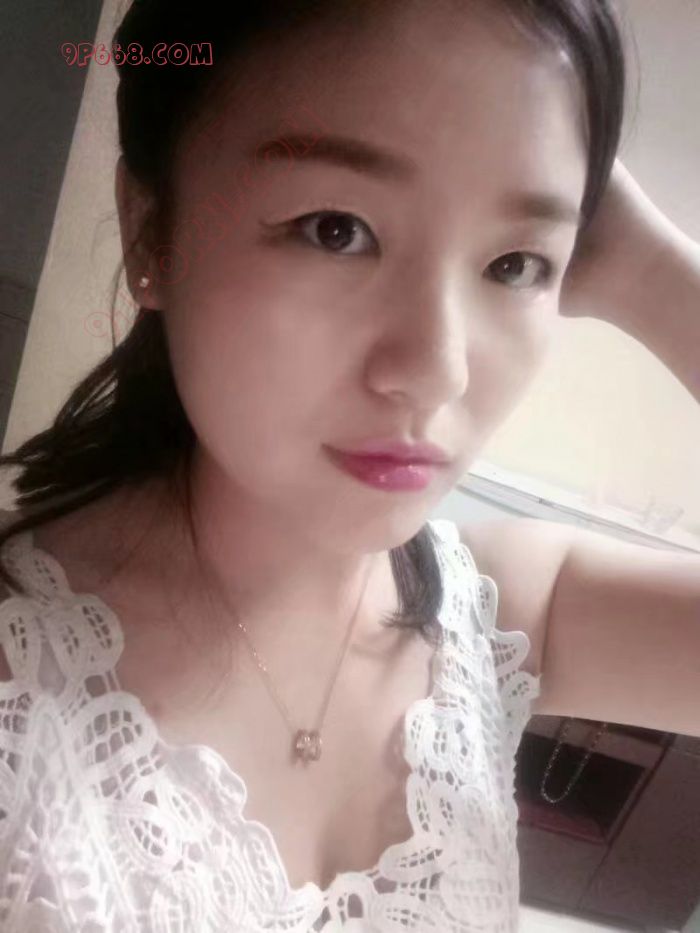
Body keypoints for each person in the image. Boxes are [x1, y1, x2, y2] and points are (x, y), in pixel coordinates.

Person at [0, 1, 699, 930]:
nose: (437, 369)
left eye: (515, 265)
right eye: (336, 228)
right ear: (150, 230)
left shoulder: (503, 621)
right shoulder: (21, 695)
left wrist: (654, 274)